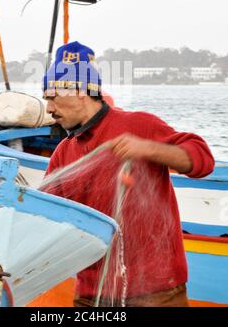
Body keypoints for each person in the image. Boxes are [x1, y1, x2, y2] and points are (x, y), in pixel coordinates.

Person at [42, 41, 215, 307]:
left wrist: (148, 148)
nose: (49, 109)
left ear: (78, 91)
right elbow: (45, 214)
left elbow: (203, 161)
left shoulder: (138, 125)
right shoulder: (64, 151)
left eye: (52, 97)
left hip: (157, 291)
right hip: (91, 294)